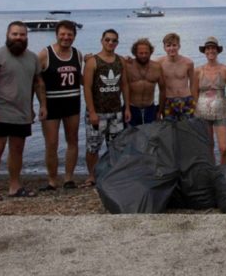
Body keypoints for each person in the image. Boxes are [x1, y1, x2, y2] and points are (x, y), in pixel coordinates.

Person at [0, 21, 47, 201]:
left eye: (22, 35)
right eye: (15, 34)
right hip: (0, 112)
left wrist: (42, 105)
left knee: (17, 150)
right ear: (8, 35)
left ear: (27, 36)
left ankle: (15, 186)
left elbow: (38, 83)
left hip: (22, 113)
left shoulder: (32, 58)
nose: (18, 38)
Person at [82, 29, 130, 188]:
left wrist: (127, 108)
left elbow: (124, 85)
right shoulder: (92, 61)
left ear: (117, 43)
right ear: (102, 41)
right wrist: (92, 112)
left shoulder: (120, 61)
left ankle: (113, 174)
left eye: (114, 40)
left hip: (116, 112)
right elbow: (87, 88)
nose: (111, 43)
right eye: (108, 40)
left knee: (116, 146)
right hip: (97, 112)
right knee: (93, 146)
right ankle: (91, 175)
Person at [38, 20, 83, 191]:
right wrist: (41, 104)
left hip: (72, 103)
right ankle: (52, 180)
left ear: (74, 36)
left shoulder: (77, 54)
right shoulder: (45, 54)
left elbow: (80, 79)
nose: (66, 37)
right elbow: (37, 80)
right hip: (52, 104)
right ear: (56, 34)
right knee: (51, 143)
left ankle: (69, 179)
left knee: (73, 141)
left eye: (69, 34)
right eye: (62, 34)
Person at [193, 36, 226, 164]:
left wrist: (221, 102)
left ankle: (225, 174)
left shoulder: (225, 70)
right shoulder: (198, 70)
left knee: (224, 149)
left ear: (217, 50)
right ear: (204, 51)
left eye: (213, 48)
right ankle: (212, 174)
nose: (211, 51)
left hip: (221, 113)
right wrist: (199, 107)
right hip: (202, 114)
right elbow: (194, 92)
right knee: (208, 147)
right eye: (208, 48)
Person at [156, 33, 195, 121]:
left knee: (188, 129)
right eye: (168, 45)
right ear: (164, 47)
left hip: (186, 99)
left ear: (179, 46)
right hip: (168, 101)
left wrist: (195, 102)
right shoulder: (159, 63)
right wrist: (129, 60)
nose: (171, 48)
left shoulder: (188, 63)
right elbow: (144, 65)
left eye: (174, 45)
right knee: (170, 131)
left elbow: (193, 85)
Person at [126, 38, 164, 126]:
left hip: (150, 108)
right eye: (141, 53)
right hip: (132, 108)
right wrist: (126, 109)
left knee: (150, 137)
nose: (144, 55)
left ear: (150, 52)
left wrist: (160, 110)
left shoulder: (157, 67)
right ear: (135, 53)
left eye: (146, 53)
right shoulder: (127, 66)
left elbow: (163, 90)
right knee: (132, 137)